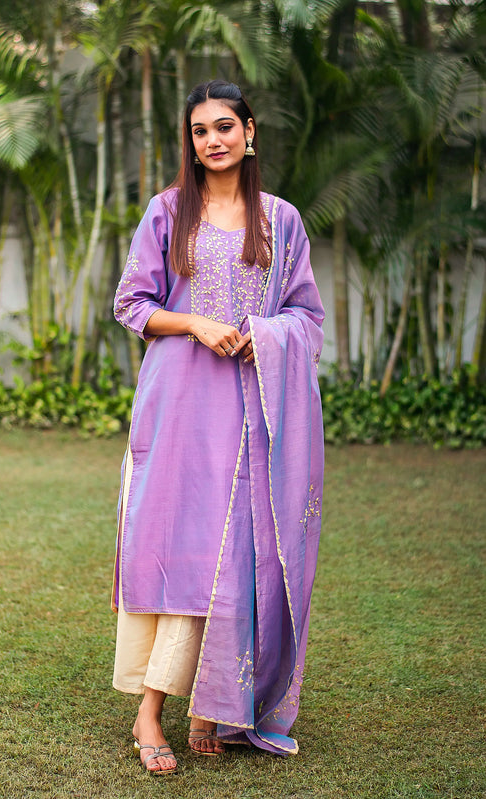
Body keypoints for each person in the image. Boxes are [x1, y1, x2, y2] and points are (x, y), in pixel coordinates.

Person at [112, 79, 325, 775]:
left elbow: (306, 318)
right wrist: (196, 322)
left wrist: (260, 331)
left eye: (224, 126)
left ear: (249, 131)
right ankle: (149, 708)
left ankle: (212, 704)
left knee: (235, 554)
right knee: (176, 548)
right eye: (200, 130)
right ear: (191, 142)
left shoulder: (281, 222)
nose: (213, 139)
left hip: (249, 410)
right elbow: (132, 303)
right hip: (177, 406)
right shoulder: (169, 211)